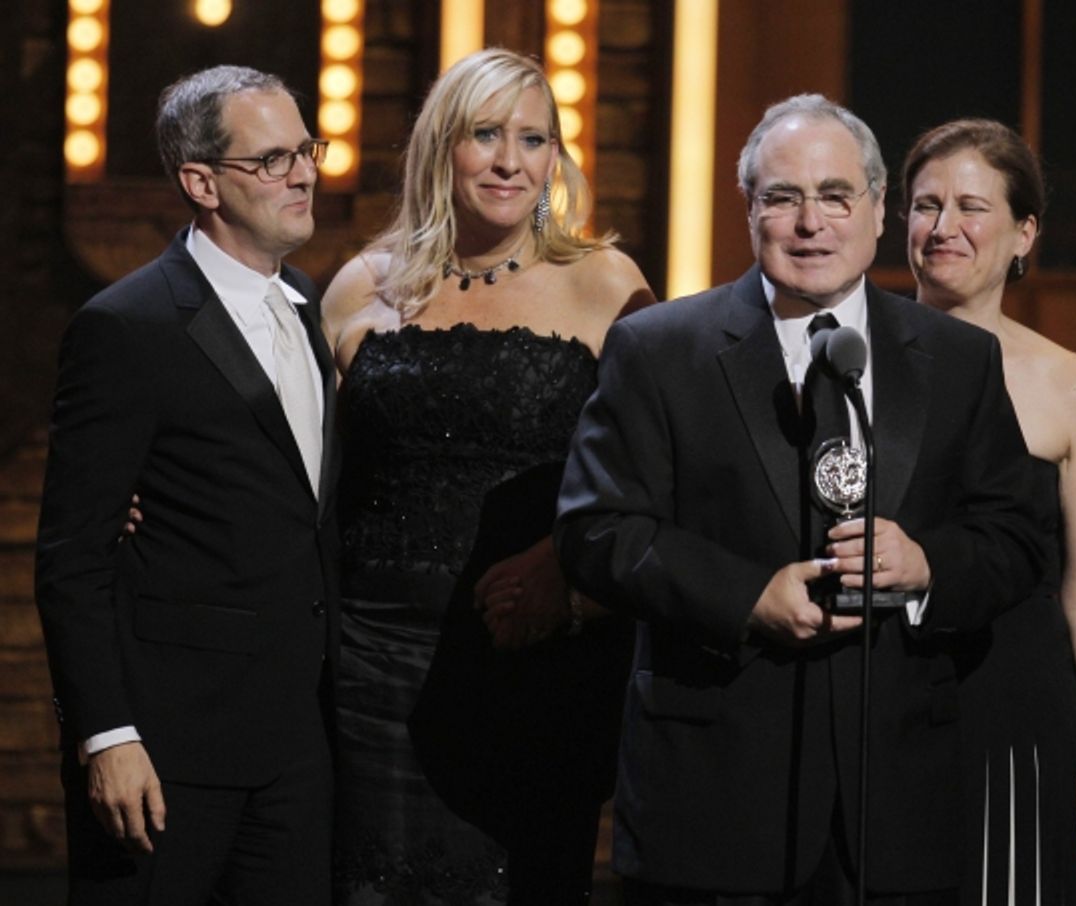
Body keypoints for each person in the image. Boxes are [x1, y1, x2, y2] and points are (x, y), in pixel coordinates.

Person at [555, 93, 1049, 904]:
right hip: (714, 805)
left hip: (898, 812)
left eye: (834, 195)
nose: (810, 222)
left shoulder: (959, 361)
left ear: (878, 209)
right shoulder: (660, 348)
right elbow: (595, 530)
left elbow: (1017, 537)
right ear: (750, 209)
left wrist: (926, 565)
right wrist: (746, 596)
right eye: (783, 197)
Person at [320, 48, 654, 905]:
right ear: (443, 146)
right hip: (373, 663)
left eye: (533, 138)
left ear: (555, 159)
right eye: (486, 133)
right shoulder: (362, 287)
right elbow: (300, 462)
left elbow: (656, 477)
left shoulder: (605, 286)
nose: (510, 160)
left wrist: (564, 569)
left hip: (528, 655)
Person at [35, 65, 339, 905]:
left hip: (297, 746)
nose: (305, 173)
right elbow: (72, 559)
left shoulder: (306, 302)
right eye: (273, 160)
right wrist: (106, 736)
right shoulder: (126, 327)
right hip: (169, 754)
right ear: (201, 182)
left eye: (307, 149)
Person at [903, 118, 1076, 904]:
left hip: (1014, 712)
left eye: (970, 207)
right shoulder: (851, 360)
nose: (943, 228)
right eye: (925, 205)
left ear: (1024, 231)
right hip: (880, 701)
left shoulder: (1073, 385)